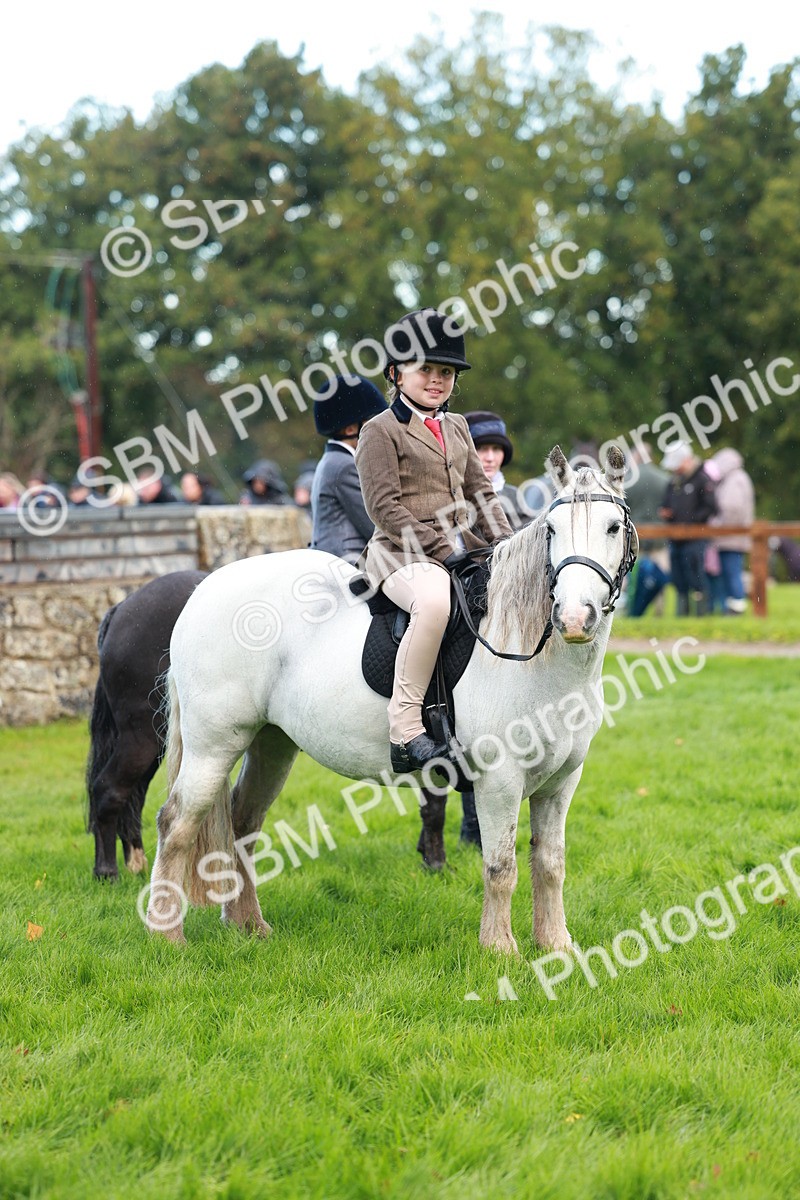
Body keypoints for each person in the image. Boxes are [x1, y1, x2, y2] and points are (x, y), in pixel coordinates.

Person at [355, 307, 512, 773]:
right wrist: (447, 552)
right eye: (426, 369)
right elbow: (384, 508)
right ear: (395, 372)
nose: (438, 379)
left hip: (459, 550)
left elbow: (481, 494)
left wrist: (506, 547)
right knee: (436, 603)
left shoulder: (459, 426)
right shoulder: (378, 431)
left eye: (446, 371)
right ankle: (405, 730)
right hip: (398, 555)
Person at [311, 375, 387, 562]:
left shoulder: (332, 460)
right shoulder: (345, 466)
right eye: (372, 421)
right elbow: (374, 524)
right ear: (351, 429)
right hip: (349, 562)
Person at [659, 441, 717, 616]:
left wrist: (691, 522)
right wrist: (667, 513)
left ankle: (702, 614)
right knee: (678, 575)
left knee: (696, 574)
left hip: (696, 538)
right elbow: (666, 502)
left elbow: (710, 507)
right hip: (675, 537)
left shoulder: (702, 479)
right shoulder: (674, 482)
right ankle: (682, 613)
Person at [463, 410, 532, 531]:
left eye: (496, 449)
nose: (490, 458)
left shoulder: (514, 496)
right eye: (481, 449)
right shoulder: (452, 496)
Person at [706, 447, 755, 614]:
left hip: (731, 538)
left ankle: (736, 608)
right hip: (730, 538)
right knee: (730, 574)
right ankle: (732, 608)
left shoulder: (735, 480)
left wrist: (715, 524)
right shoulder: (735, 479)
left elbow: (732, 509)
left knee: (732, 575)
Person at [624, 444, 671, 617]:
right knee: (659, 576)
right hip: (660, 536)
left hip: (635, 536)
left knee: (632, 577)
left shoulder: (628, 480)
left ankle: (633, 610)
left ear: (636, 457)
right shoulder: (664, 478)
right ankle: (659, 611)